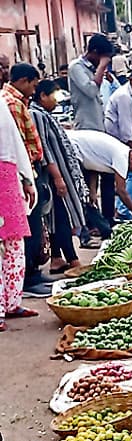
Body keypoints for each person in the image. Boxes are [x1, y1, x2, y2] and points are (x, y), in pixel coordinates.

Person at [4, 63, 53, 298]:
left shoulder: (16, 101)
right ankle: (29, 279)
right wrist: (25, 176)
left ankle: (31, 274)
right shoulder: (11, 104)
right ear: (24, 81)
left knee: (31, 224)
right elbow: (17, 145)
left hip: (25, 170)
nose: (35, 89)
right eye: (34, 84)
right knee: (28, 226)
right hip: (19, 173)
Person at [32, 79, 88, 276]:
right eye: (53, 96)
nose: (56, 100)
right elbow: (44, 150)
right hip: (52, 176)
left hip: (59, 173)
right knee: (61, 216)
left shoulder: (44, 114)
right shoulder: (36, 114)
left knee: (56, 218)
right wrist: (57, 177)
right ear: (42, 96)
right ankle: (73, 259)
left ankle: (57, 259)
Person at [0, 89, 36, 331]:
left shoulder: (2, 103)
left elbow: (15, 141)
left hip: (8, 174)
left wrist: (26, 179)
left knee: (14, 242)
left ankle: (12, 302)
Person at [66, 129, 132, 225]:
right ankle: (87, 228)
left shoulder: (123, 151)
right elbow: (121, 191)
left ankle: (94, 225)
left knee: (87, 197)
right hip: (72, 146)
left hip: (77, 147)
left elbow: (94, 165)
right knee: (78, 193)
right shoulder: (122, 157)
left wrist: (93, 191)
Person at [68, 34, 113, 131]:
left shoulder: (92, 68)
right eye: (103, 58)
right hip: (86, 125)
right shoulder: (76, 67)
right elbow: (91, 91)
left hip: (99, 124)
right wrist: (101, 68)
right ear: (94, 52)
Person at [104, 67, 132, 146]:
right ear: (131, 79)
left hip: (120, 138)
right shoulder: (124, 96)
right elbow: (125, 128)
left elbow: (131, 123)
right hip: (115, 139)